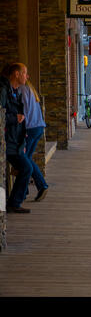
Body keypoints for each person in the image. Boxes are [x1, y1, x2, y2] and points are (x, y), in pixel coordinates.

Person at [0, 63, 31, 213]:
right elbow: (1, 114)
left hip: (15, 140)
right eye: (25, 73)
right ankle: (14, 202)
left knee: (25, 168)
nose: (27, 76)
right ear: (16, 74)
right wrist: (15, 118)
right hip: (6, 140)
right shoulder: (3, 90)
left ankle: (15, 201)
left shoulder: (16, 91)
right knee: (27, 167)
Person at [18, 79, 49, 202]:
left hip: (30, 128)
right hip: (38, 127)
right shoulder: (31, 90)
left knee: (24, 159)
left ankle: (41, 185)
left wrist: (23, 129)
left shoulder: (22, 90)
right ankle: (25, 190)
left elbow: (25, 111)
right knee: (27, 159)